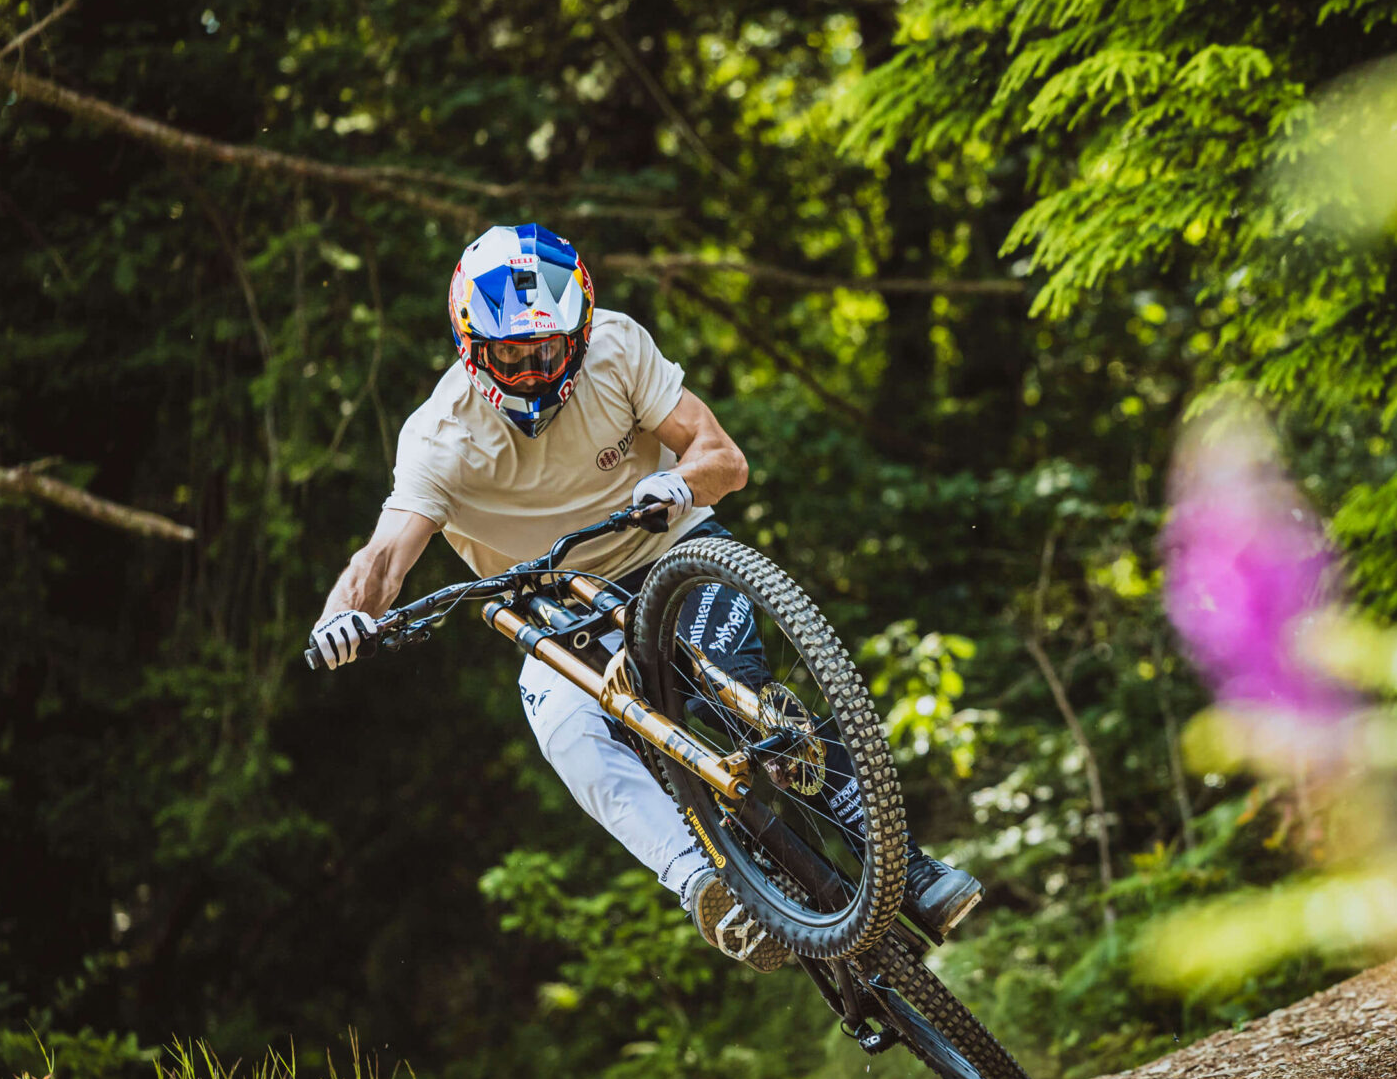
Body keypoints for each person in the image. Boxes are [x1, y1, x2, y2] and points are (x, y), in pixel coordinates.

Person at [306, 223, 981, 966]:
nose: (534, 369)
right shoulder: (441, 436)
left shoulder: (617, 349)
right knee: (566, 733)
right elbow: (382, 562)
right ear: (471, 346)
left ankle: (911, 870)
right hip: (557, 610)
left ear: (581, 329)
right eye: (512, 355)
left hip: (673, 553)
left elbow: (724, 458)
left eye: (550, 348)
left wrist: (678, 481)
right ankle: (703, 888)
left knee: (734, 689)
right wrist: (344, 618)